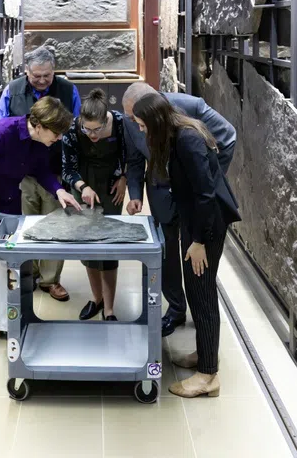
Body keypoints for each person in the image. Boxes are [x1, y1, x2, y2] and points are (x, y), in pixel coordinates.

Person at [0, 97, 81, 357]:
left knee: (10, 267)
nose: (59, 138)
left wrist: (59, 190)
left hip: (6, 206)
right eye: (57, 132)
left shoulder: (41, 143)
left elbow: (40, 171)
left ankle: (4, 324)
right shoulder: (2, 131)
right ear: (39, 125)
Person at [132, 93, 240, 398]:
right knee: (196, 290)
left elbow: (206, 195)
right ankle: (206, 357)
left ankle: (208, 377)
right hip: (197, 221)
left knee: (201, 293)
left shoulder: (188, 140)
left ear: (155, 121)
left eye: (142, 125)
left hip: (206, 226)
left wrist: (198, 242)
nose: (141, 131)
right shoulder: (177, 133)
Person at [122, 82, 236, 337]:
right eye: (130, 118)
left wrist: (204, 178)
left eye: (137, 119)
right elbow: (135, 159)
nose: (133, 124)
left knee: (197, 262)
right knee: (166, 252)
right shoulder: (132, 120)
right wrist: (136, 194)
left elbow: (228, 137)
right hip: (161, 194)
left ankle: (203, 319)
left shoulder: (190, 107)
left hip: (194, 200)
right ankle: (175, 309)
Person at [0, 46, 81, 303]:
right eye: (37, 76)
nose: (42, 80)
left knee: (56, 225)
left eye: (47, 75)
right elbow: (1, 126)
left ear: (53, 71)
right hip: (22, 173)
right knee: (26, 222)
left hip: (55, 171)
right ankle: (28, 273)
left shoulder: (68, 90)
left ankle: (50, 280)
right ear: (26, 71)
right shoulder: (12, 90)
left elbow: (75, 129)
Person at [62, 89, 128, 321]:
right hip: (83, 186)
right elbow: (67, 168)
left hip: (112, 187)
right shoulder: (72, 128)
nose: (91, 134)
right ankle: (96, 298)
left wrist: (124, 178)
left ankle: (109, 309)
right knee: (89, 245)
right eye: (86, 129)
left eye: (97, 129)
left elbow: (129, 154)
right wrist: (82, 187)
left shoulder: (120, 122)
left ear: (106, 119)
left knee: (108, 245)